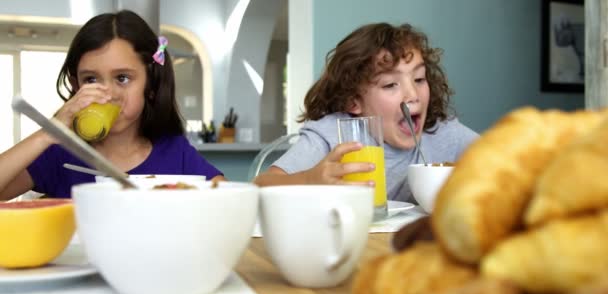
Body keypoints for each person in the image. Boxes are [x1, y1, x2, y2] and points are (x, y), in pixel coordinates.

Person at [0, 10, 224, 200]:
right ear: (76, 86)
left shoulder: (175, 153)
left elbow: (224, 196)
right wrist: (46, 134)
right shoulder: (60, 154)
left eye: (122, 78)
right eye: (91, 80)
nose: (106, 95)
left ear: (151, 85)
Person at [254, 22, 478, 203]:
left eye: (419, 79)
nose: (412, 95)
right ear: (353, 101)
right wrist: (310, 179)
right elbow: (260, 185)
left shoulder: (443, 133)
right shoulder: (333, 136)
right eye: (390, 85)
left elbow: (505, 159)